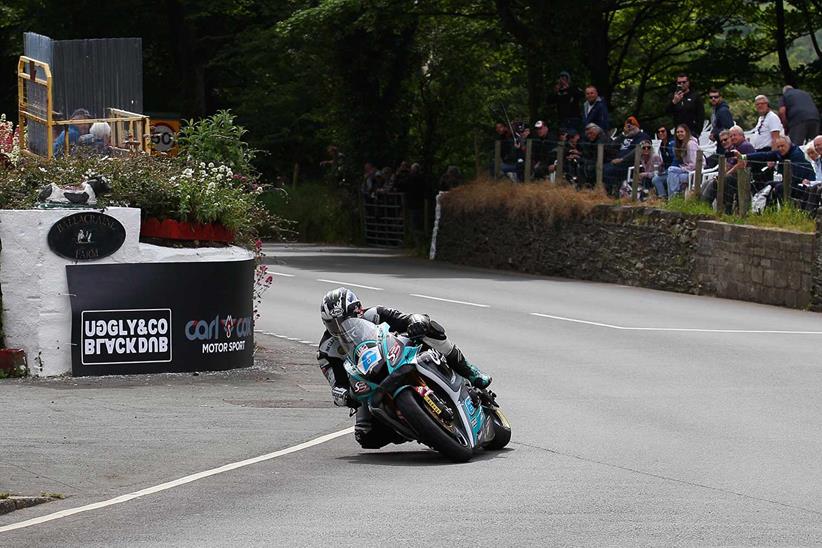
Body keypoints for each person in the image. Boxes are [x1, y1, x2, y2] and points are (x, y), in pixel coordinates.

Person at [317, 288, 491, 449]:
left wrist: (416, 321)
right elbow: (336, 382)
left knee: (430, 328)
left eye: (345, 321)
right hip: (367, 383)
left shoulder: (375, 313)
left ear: (358, 310)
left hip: (398, 355)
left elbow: (406, 319)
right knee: (366, 437)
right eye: (334, 324)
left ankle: (468, 370)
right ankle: (413, 428)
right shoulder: (326, 349)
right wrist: (342, 394)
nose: (341, 328)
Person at [736, 135, 814, 206]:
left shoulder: (796, 155)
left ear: (789, 144)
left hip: (802, 185)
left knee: (779, 187)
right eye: (778, 146)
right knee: (768, 184)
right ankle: (768, 209)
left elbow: (796, 177)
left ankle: (785, 209)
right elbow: (764, 155)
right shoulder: (780, 153)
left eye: (782, 146)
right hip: (788, 182)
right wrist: (744, 156)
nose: (780, 148)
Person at [603, 116, 650, 196]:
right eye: (627, 126)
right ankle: (609, 193)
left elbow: (638, 150)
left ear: (637, 126)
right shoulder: (624, 136)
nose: (630, 127)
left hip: (631, 163)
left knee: (609, 170)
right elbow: (611, 147)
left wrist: (622, 159)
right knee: (602, 168)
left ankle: (614, 193)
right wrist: (623, 134)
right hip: (617, 162)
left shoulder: (643, 136)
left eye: (632, 125)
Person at [665, 124, 699, 198]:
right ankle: (675, 198)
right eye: (677, 132)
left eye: (681, 131)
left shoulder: (691, 144)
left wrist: (683, 168)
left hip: (696, 172)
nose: (679, 134)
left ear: (686, 132)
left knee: (671, 171)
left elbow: (694, 164)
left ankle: (673, 198)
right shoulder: (682, 144)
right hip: (688, 171)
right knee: (672, 176)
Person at [708, 88, 734, 155]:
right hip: (720, 143)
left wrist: (714, 134)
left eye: (716, 97)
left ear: (720, 98)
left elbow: (728, 128)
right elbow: (717, 125)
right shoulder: (716, 109)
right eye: (711, 97)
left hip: (725, 145)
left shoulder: (723, 111)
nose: (713, 99)